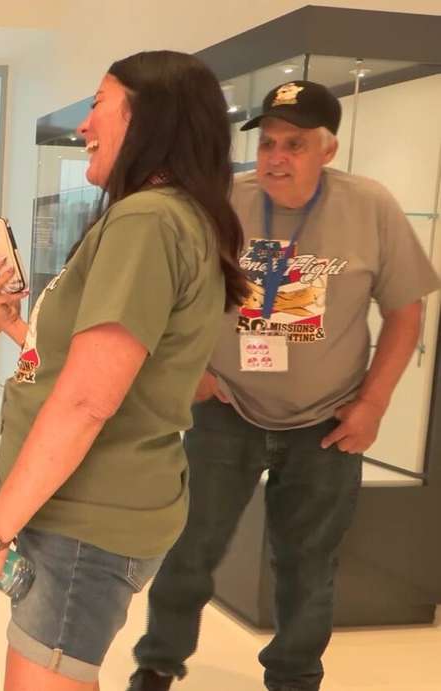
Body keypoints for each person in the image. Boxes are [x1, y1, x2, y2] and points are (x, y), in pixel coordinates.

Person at [128, 80, 441, 691]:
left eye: (294, 145)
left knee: (308, 565)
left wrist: (373, 403)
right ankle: (158, 662)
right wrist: (187, 370)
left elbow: (406, 313)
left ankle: (295, 678)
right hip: (227, 409)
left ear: (328, 149)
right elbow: (168, 292)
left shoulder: (370, 206)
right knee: (190, 549)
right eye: (268, 143)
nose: (275, 157)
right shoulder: (223, 200)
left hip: (326, 424)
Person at [0, 51, 248, 691]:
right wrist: (12, 322)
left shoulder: (147, 220)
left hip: (86, 520)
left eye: (97, 104)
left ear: (147, 117)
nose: (83, 125)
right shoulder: (166, 215)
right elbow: (98, 364)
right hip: (94, 509)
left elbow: (89, 400)